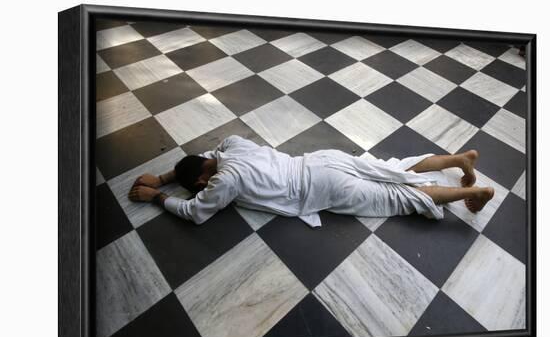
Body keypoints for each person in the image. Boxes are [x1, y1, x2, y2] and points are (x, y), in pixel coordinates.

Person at [128, 135, 494, 228]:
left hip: (320, 188)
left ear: (203, 179)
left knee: (399, 197)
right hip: (324, 159)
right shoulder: (232, 146)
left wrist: (157, 196)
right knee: (392, 167)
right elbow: (207, 154)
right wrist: (165, 176)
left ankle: (470, 192)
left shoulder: (226, 179)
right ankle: (460, 159)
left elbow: (196, 212)